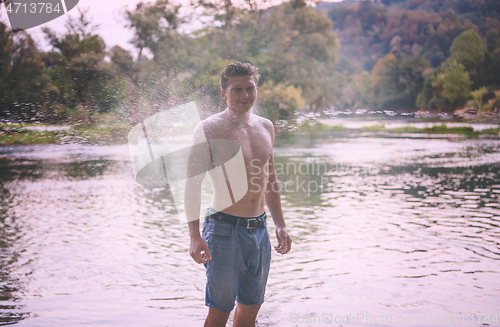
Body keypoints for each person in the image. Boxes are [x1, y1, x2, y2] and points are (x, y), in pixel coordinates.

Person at [185, 62, 292, 327]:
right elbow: (191, 186)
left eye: (250, 88)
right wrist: (195, 236)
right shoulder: (209, 129)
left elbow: (271, 180)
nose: (245, 95)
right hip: (223, 229)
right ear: (224, 93)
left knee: (251, 309)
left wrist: (280, 225)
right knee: (220, 310)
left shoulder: (266, 127)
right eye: (237, 90)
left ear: (256, 89)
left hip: (259, 229)